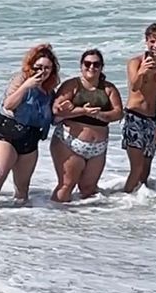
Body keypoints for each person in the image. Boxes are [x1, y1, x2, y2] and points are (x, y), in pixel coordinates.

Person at [0, 44, 59, 203]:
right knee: (0, 173)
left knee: (22, 187)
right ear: (31, 66)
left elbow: (53, 119)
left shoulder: (50, 91)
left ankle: (20, 216)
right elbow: (8, 105)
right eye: (38, 67)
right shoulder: (21, 79)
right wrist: (26, 86)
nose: (42, 71)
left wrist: (65, 110)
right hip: (6, 130)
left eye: (47, 68)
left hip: (30, 137)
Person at [50, 49, 123, 203]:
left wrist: (99, 115)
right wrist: (83, 111)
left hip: (98, 148)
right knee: (66, 185)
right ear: (81, 66)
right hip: (69, 143)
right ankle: (55, 216)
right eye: (87, 64)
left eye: (96, 64)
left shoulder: (108, 88)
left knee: (88, 188)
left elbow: (118, 113)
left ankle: (84, 218)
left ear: (101, 67)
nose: (91, 67)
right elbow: (56, 109)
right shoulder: (72, 85)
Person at [123, 23, 156, 192]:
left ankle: (140, 203)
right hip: (134, 117)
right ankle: (123, 200)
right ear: (146, 41)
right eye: (152, 41)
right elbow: (134, 87)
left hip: (152, 121)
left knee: (145, 171)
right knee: (137, 168)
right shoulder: (135, 62)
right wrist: (142, 72)